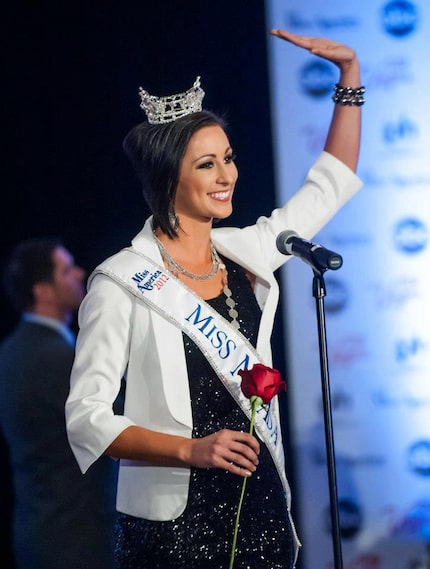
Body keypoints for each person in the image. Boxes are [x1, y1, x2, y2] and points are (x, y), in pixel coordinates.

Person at [65, 29, 364, 569]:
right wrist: (191, 449)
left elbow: (330, 186)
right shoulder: (120, 282)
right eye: (206, 164)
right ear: (166, 175)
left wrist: (350, 77)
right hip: (173, 530)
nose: (227, 175)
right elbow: (86, 418)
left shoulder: (245, 252)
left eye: (227, 158)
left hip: (263, 513)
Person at [0, 238, 118, 569]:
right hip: (78, 540)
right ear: (44, 291)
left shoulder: (10, 353)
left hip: (36, 533)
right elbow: (119, 422)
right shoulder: (61, 360)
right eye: (66, 269)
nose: (80, 273)